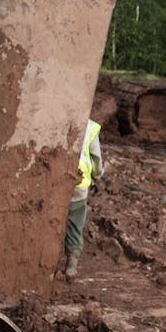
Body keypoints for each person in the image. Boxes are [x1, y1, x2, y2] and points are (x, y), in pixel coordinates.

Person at [62, 117, 103, 280]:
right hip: (79, 183)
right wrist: (97, 176)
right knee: (75, 222)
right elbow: (96, 159)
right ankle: (71, 264)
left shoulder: (57, 118)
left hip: (56, 181)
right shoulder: (90, 126)